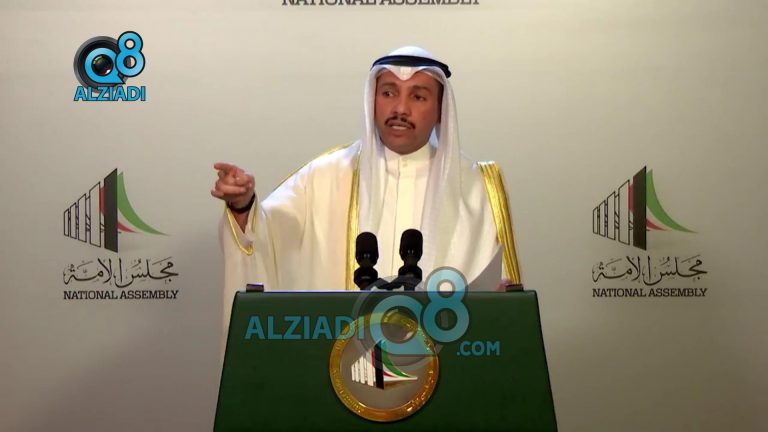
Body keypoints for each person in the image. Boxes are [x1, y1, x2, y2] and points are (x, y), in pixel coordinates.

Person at [211, 46, 521, 312]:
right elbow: (264, 237)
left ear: (440, 110)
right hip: (344, 352)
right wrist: (243, 205)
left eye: (418, 96)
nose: (400, 108)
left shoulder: (476, 185)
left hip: (443, 351)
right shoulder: (325, 175)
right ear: (372, 100)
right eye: (388, 93)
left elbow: (504, 291)